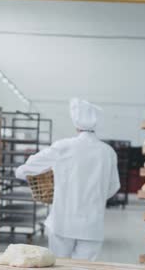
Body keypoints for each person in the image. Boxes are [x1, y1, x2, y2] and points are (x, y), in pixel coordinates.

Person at [15, 98, 120, 261]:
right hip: (92, 226)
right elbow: (113, 187)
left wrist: (20, 173)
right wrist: (93, 198)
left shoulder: (63, 146)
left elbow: (30, 166)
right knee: (85, 267)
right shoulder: (108, 152)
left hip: (63, 222)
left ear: (76, 123)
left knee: (59, 264)